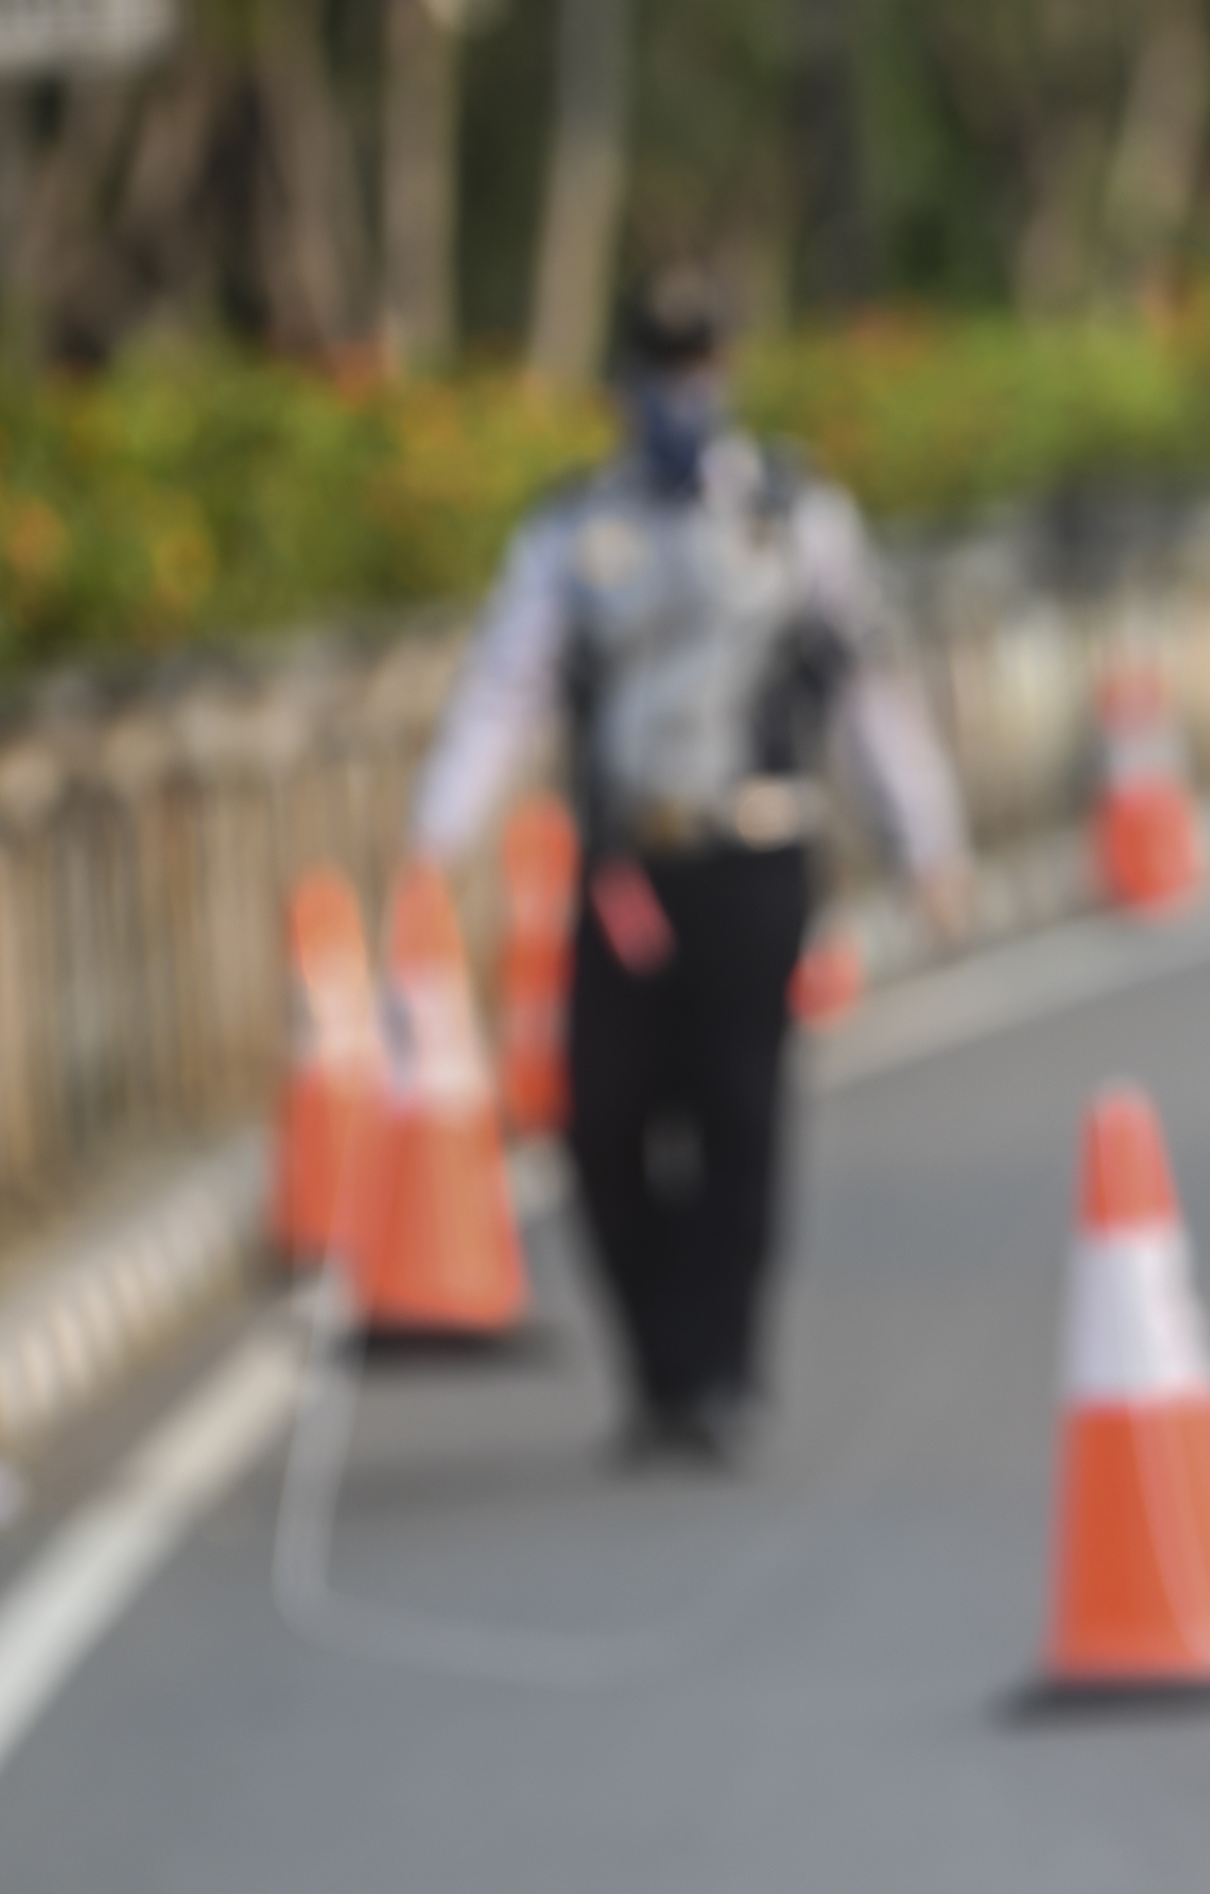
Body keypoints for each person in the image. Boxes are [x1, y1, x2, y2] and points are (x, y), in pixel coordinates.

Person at [406, 264, 970, 1465]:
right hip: (624, 874)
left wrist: (929, 841)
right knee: (603, 1122)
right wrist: (435, 841)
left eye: (698, 368)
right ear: (626, 383)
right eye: (660, 371)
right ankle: (658, 1368)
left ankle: (719, 1372)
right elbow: (506, 691)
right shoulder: (574, 532)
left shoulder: (792, 516)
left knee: (737, 1114)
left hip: (755, 855)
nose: (679, 394)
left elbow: (868, 687)